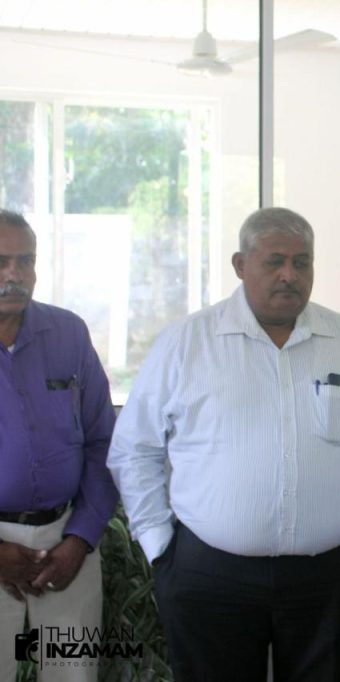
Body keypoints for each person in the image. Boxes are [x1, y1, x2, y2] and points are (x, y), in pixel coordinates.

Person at [107, 207, 340, 681]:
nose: (289, 275)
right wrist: (158, 546)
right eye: (274, 261)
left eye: (302, 262)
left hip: (330, 575)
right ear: (240, 264)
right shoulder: (187, 342)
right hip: (208, 575)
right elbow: (135, 448)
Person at [0, 210, 118, 682]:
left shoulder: (68, 333)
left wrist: (81, 538)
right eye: (1, 261)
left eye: (25, 260)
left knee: (74, 674)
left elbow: (103, 442)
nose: (14, 274)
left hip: (66, 547)